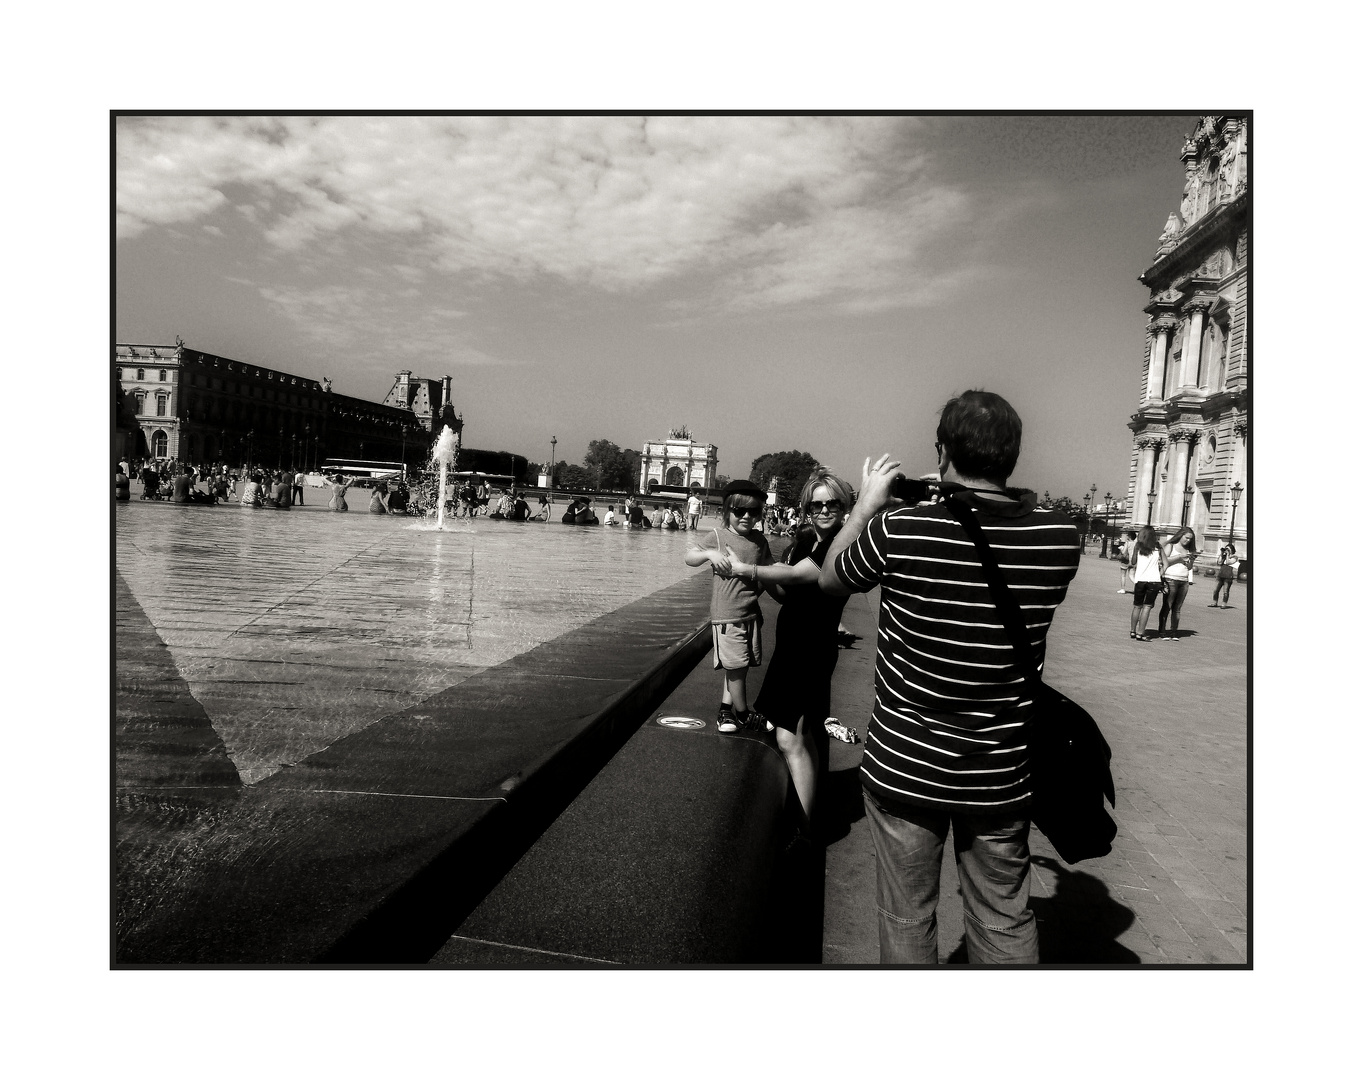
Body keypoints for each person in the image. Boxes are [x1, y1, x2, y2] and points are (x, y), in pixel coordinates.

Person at [818, 390, 1081, 964]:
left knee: (908, 916)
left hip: (907, 762)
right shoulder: (1061, 540)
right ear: (1011, 456)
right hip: (1000, 766)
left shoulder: (902, 529)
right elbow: (1008, 522)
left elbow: (831, 580)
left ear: (941, 451)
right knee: (1005, 920)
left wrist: (866, 504)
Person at [729, 468, 854, 836]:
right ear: (806, 508)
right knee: (805, 733)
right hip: (792, 647)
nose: (824, 510)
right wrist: (757, 575)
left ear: (844, 506)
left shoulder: (840, 544)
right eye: (817, 505)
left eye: (832, 503)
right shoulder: (803, 540)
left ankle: (801, 829)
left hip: (813, 649)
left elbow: (803, 576)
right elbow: (787, 592)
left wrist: (749, 566)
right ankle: (806, 813)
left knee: (789, 737)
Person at [685, 479, 773, 733]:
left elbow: (769, 568)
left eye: (753, 511)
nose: (747, 516)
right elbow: (689, 557)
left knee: (739, 666)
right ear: (727, 511)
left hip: (750, 613)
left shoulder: (760, 540)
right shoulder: (717, 536)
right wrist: (710, 554)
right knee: (736, 666)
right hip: (727, 615)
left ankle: (725, 712)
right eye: (739, 511)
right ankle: (744, 714)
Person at [1129, 525, 1168, 641]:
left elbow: (1133, 561)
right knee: (1147, 607)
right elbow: (1166, 564)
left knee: (1137, 606)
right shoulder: (1158, 547)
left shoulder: (1138, 546)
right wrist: (1159, 574)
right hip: (1154, 581)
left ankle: (1132, 630)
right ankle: (1140, 633)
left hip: (1140, 580)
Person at [1157, 526, 1197, 639]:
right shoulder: (1171, 546)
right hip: (1170, 578)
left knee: (1177, 608)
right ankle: (1162, 630)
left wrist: (1191, 560)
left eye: (1190, 539)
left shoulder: (1189, 550)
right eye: (1186, 538)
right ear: (1180, 535)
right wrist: (1179, 556)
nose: (1188, 540)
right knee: (1167, 605)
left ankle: (1174, 631)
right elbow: (1163, 561)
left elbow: (1189, 567)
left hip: (1183, 580)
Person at [1212, 541, 1238, 608]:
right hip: (1220, 575)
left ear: (1231, 550)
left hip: (1228, 576)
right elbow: (1219, 563)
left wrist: (1228, 555)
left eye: (1228, 549)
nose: (1226, 550)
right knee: (1216, 590)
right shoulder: (1223, 556)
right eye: (1226, 549)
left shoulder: (1235, 557)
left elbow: (1229, 562)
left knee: (1225, 591)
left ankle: (1224, 604)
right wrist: (1221, 554)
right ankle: (1214, 602)